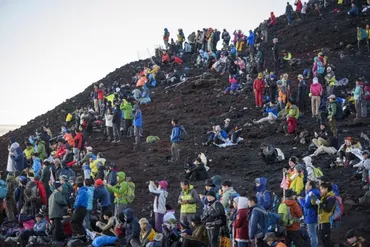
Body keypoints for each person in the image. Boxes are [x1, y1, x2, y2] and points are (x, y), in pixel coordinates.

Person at [313, 182, 336, 247]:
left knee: (326, 239)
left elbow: (328, 209)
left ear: (326, 189)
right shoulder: (323, 197)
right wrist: (314, 198)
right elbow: (318, 205)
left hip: (326, 221)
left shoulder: (331, 197)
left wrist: (321, 203)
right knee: (322, 239)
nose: (320, 191)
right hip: (320, 220)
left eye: (321, 189)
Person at [299, 181, 320, 247]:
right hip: (312, 215)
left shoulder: (311, 193)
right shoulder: (314, 192)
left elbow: (306, 205)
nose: (305, 186)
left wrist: (300, 200)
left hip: (311, 216)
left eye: (306, 185)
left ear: (310, 186)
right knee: (313, 233)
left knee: (312, 234)